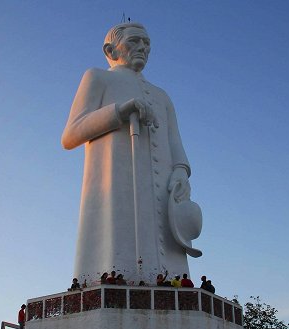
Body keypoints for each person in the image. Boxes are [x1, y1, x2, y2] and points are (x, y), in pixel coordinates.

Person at [62, 22, 202, 285]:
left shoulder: (163, 97)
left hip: (164, 192)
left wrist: (181, 171)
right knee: (116, 247)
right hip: (116, 185)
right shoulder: (98, 77)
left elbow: (175, 142)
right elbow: (70, 135)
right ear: (110, 49)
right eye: (135, 41)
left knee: (169, 260)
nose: (143, 48)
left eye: (147, 44)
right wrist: (119, 111)